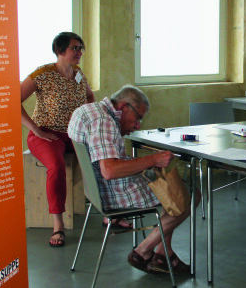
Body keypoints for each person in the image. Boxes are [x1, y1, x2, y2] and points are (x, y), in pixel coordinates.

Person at [68, 84, 200, 275]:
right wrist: (152, 159)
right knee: (188, 194)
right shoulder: (103, 121)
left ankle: (164, 254)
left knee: (168, 186)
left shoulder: (87, 110)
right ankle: (144, 250)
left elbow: (106, 163)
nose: (138, 125)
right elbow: (110, 171)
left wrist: (145, 164)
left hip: (95, 191)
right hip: (114, 193)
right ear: (122, 108)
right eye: (137, 118)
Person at [20, 32, 95, 247]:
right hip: (46, 133)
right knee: (56, 165)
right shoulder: (43, 74)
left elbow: (89, 96)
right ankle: (58, 224)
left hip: (74, 133)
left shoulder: (79, 73)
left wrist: (88, 120)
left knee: (99, 156)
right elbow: (13, 100)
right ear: (59, 50)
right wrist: (35, 129)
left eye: (81, 48)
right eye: (74, 48)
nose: (79, 52)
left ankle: (108, 212)